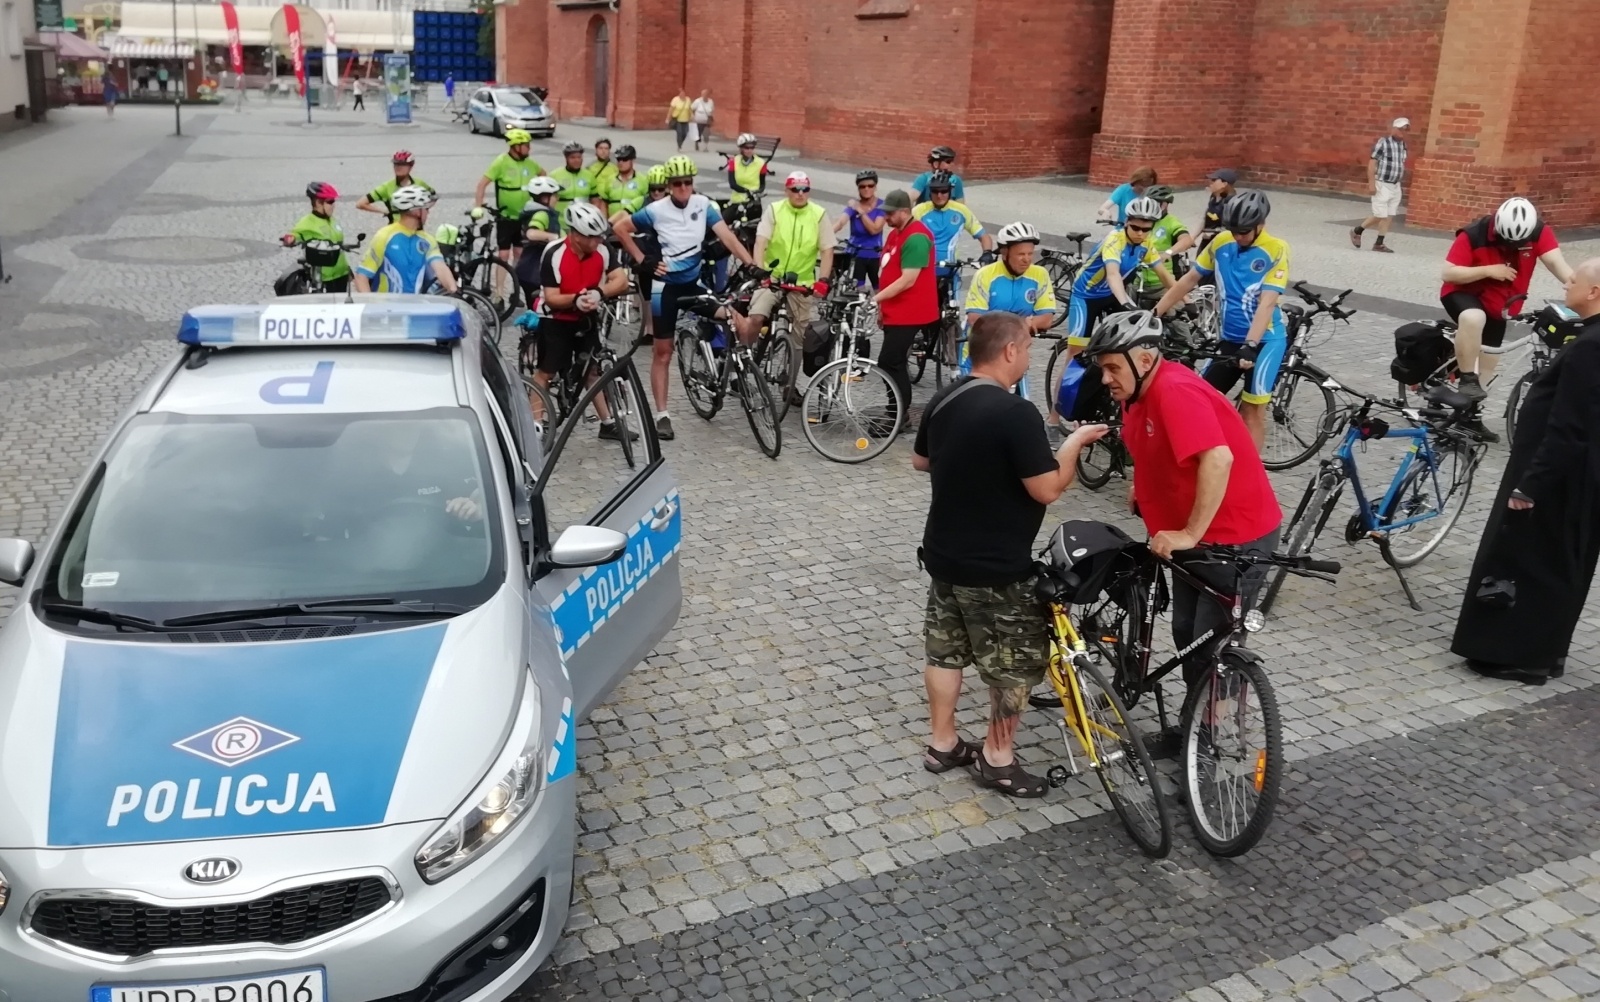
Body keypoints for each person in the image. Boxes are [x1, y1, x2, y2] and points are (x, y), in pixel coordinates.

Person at [913, 312, 1109, 797]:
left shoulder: (947, 397)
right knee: (1015, 665)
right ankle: (997, 758)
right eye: (1027, 347)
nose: (1028, 356)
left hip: (943, 555)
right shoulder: (1015, 413)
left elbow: (922, 460)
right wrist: (1074, 444)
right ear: (1009, 351)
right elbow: (1046, 489)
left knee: (945, 650)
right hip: (998, 567)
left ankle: (943, 744)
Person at [1079, 310, 1280, 719]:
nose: (1106, 379)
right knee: (1187, 633)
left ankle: (1207, 745)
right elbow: (1153, 445)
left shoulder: (1174, 390)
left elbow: (1218, 459)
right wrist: (1144, 486)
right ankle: (1194, 728)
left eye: (1113, 367)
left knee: (1211, 648)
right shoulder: (1136, 394)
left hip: (1232, 538)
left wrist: (1188, 532)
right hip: (1195, 539)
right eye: (1103, 369)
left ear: (1146, 360)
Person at [1451, 259, 1600, 686]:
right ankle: (1543, 653)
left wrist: (1532, 484)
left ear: (1593, 293)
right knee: (1559, 564)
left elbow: (1569, 424)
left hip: (1557, 475)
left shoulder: (1590, 346)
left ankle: (1524, 657)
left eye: (1574, 281)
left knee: (1536, 565)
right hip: (1574, 472)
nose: (1567, 284)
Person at [613, 155, 758, 441]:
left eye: (687, 183)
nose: (682, 188)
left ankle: (729, 373)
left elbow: (727, 237)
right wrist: (643, 260)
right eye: (677, 183)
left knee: (739, 323)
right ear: (668, 185)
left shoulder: (703, 206)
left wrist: (751, 263)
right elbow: (620, 229)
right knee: (663, 353)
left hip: (693, 285)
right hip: (663, 290)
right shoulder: (655, 210)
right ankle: (662, 415)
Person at [1155, 190, 1287, 450]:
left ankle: (1251, 477)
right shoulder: (1221, 242)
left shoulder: (1277, 249)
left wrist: (1251, 344)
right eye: (1234, 231)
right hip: (1230, 338)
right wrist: (1155, 312)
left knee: (1251, 410)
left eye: (1244, 232)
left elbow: (1268, 302)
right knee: (1200, 397)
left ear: (1260, 224)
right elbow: (1190, 279)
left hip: (1265, 341)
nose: (1238, 237)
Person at [1440, 196, 1574, 416]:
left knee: (1488, 369)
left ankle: (1469, 418)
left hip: (1500, 304)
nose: (1511, 246)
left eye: (1519, 242)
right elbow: (1448, 272)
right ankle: (1466, 377)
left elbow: (1557, 265)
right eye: (1506, 240)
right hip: (1463, 293)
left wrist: (1584, 290)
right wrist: (1488, 270)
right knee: (1474, 318)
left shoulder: (1539, 232)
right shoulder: (1474, 234)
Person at [529, 202, 636, 441]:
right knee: (545, 373)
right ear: (576, 235)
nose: (599, 241)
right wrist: (575, 299)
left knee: (592, 371)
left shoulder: (602, 248)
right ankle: (535, 425)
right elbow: (552, 297)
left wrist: (600, 292)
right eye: (593, 237)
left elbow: (621, 280)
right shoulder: (554, 253)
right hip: (556, 318)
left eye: (600, 236)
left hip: (586, 316)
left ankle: (608, 424)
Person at [737, 170, 835, 404]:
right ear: (786, 190)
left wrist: (823, 280)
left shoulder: (819, 214)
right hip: (772, 278)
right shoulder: (775, 210)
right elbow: (761, 242)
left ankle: (790, 386)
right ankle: (742, 359)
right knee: (755, 317)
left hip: (802, 283)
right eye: (795, 189)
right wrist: (760, 272)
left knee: (800, 337)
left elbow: (827, 250)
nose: (800, 194)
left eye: (804, 189)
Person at [874, 189, 940, 424]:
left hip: (910, 312)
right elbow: (886, 269)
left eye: (890, 213)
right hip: (895, 311)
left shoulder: (917, 237)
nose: (887, 218)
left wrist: (876, 299)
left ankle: (898, 414)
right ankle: (897, 413)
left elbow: (908, 279)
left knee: (889, 361)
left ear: (904, 211)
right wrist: (882, 307)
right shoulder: (896, 233)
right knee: (894, 362)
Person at [353, 186, 458, 294]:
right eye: (426, 209)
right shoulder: (384, 236)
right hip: (385, 308)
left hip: (414, 307)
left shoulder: (427, 240)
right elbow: (362, 276)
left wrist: (454, 290)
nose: (428, 213)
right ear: (417, 212)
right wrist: (371, 305)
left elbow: (440, 267)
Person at [964, 221, 1058, 335]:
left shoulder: (1040, 274)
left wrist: (1023, 325)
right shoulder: (985, 275)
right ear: (1004, 253)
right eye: (1021, 254)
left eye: (1030, 253)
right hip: (984, 346)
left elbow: (1046, 319)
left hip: (1017, 346)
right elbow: (975, 319)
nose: (1027, 259)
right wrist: (1022, 324)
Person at [912, 173, 994, 304]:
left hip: (951, 270)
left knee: (952, 311)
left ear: (950, 191)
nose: (939, 196)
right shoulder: (919, 211)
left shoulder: (961, 210)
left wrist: (987, 253)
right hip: (923, 270)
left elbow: (984, 236)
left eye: (944, 191)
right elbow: (902, 235)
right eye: (935, 191)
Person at [473, 130, 546, 269]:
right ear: (515, 146)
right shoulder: (501, 162)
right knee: (503, 255)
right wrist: (478, 206)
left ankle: (516, 283)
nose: (529, 148)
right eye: (526, 145)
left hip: (525, 216)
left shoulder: (530, 163)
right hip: (505, 216)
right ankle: (500, 290)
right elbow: (482, 184)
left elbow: (544, 175)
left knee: (519, 252)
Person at [1351, 118, 1411, 254]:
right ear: (1393, 129)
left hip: (1395, 185)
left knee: (1389, 215)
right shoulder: (1383, 143)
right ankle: (1357, 230)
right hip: (1382, 183)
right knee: (1379, 214)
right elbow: (1373, 163)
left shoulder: (1403, 145)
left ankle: (1379, 243)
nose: (1403, 132)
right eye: (1400, 129)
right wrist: (1372, 184)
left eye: (1405, 129)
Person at [281, 182, 353, 293]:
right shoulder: (307, 222)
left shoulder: (331, 220)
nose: (333, 205)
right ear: (318, 203)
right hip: (324, 278)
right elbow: (295, 235)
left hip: (341, 274)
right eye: (330, 202)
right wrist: (290, 239)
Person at [514, 176, 563, 304]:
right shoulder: (542, 214)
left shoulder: (542, 212)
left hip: (530, 271)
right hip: (534, 272)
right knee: (539, 313)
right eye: (555, 195)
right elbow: (532, 233)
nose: (557, 198)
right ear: (545, 198)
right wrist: (556, 238)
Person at [834, 169, 887, 289]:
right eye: (862, 186)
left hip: (874, 253)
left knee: (877, 286)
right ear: (858, 189)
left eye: (870, 186)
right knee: (858, 288)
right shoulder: (853, 206)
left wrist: (861, 211)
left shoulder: (881, 206)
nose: (866, 189)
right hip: (856, 254)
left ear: (875, 187)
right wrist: (826, 234)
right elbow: (841, 222)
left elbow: (875, 229)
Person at [1140, 185, 1194, 299]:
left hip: (1162, 284)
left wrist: (1167, 253)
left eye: (1152, 203)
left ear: (1164, 204)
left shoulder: (1171, 222)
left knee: (1174, 312)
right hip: (1137, 281)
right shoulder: (1141, 220)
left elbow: (1186, 240)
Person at [357, 151, 435, 224]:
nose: (398, 167)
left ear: (411, 166)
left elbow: (434, 196)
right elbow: (360, 204)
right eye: (396, 164)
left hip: (416, 228)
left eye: (402, 164)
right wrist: (384, 211)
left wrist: (424, 209)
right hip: (395, 230)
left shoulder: (419, 183)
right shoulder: (386, 187)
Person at [549, 142, 596, 228]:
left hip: (584, 222)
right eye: (573, 158)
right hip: (562, 222)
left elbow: (595, 200)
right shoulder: (554, 175)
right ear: (566, 158)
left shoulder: (589, 175)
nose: (576, 160)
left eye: (579, 157)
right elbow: (550, 202)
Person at [595, 145, 646, 218]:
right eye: (619, 159)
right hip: (612, 224)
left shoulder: (643, 180)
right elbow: (604, 204)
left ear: (633, 160)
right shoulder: (610, 179)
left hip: (634, 224)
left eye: (625, 159)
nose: (621, 162)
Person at [1195, 168, 1237, 250]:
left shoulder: (1230, 202)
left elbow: (1230, 229)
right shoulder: (1214, 197)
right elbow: (1206, 218)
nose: (1210, 183)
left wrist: (1212, 233)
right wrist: (1193, 237)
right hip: (1207, 241)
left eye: (1214, 180)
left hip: (1222, 245)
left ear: (1224, 184)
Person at [725, 134, 770, 206]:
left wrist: (758, 191)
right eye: (746, 148)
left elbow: (762, 184)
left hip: (753, 202)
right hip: (736, 201)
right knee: (723, 217)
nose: (750, 150)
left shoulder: (761, 163)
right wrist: (747, 191)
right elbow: (732, 184)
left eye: (752, 148)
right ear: (741, 148)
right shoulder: (733, 161)